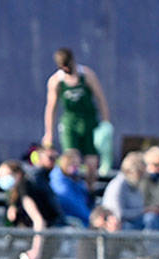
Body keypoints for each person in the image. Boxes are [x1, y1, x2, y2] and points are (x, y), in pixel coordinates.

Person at [43, 48, 110, 189]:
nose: (67, 69)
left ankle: (89, 192)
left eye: (69, 65)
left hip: (89, 122)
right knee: (70, 160)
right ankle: (70, 191)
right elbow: (51, 108)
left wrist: (105, 123)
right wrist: (49, 132)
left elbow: (101, 99)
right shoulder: (56, 81)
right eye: (63, 67)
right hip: (70, 124)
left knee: (91, 164)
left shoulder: (87, 75)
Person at [101, 151, 147, 230]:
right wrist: (144, 211)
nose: (142, 176)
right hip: (119, 227)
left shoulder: (136, 186)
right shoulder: (118, 185)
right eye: (140, 173)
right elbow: (119, 214)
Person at [49, 148, 91, 226]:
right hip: (70, 222)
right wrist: (91, 219)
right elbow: (74, 205)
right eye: (71, 163)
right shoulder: (58, 181)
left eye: (77, 164)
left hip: (83, 219)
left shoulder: (76, 180)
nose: (75, 166)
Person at [139, 146, 159, 233]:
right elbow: (139, 205)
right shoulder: (141, 180)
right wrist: (151, 209)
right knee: (151, 218)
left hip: (157, 215)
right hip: (141, 216)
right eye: (156, 165)